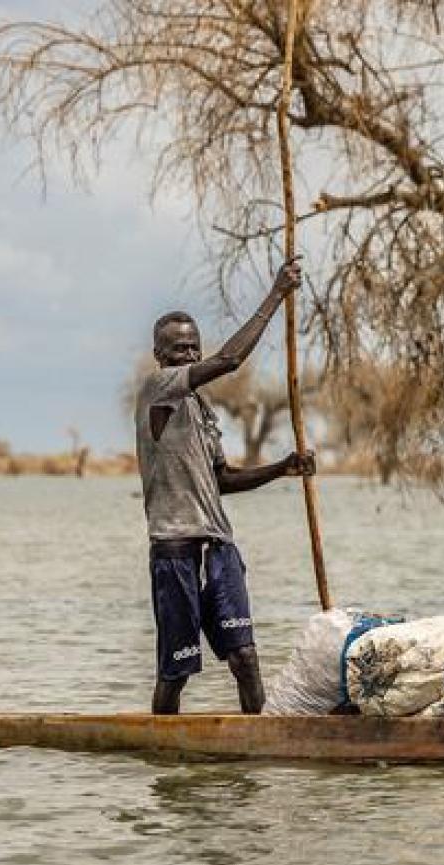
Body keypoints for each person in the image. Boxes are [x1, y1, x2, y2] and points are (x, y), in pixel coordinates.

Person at [133, 258, 313, 715]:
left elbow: (222, 481)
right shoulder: (159, 388)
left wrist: (282, 468)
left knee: (245, 657)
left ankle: (258, 750)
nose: (188, 356)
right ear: (160, 355)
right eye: (178, 350)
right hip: (174, 549)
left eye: (194, 348)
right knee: (177, 671)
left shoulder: (201, 410)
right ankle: (167, 764)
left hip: (218, 545)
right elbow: (230, 360)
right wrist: (277, 294)